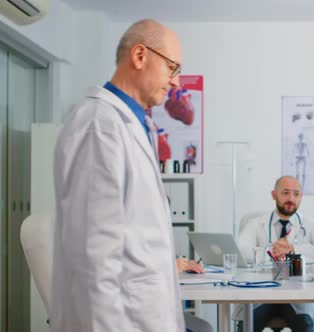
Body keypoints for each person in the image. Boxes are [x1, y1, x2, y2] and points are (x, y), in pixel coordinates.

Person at [51, 19, 205, 332]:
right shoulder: (100, 127)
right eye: (172, 68)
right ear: (139, 56)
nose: (176, 82)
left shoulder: (133, 125)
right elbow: (93, 260)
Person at [237, 175, 314, 332]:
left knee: (305, 325)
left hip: (297, 296)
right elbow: (240, 252)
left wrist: (294, 249)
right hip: (262, 294)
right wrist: (272, 251)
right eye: (285, 193)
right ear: (274, 195)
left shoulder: (310, 224)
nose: (291, 198)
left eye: (296, 194)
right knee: (247, 325)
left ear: (301, 197)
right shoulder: (256, 224)